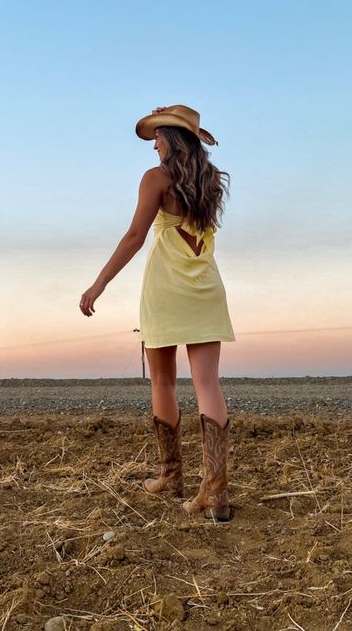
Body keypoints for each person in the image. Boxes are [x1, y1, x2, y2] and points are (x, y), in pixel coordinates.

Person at [79, 104, 236, 522]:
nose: (154, 146)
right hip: (206, 288)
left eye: (158, 138)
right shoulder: (208, 182)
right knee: (208, 383)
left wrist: (99, 283)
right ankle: (215, 493)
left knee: (163, 380)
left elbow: (134, 235)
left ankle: (171, 476)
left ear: (171, 138)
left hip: (167, 288)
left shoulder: (156, 179)